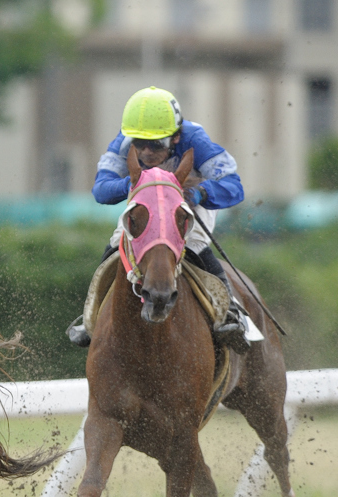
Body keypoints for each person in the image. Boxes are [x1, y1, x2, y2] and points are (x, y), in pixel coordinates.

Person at [66, 86, 249, 353]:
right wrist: (135, 184)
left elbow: (234, 186)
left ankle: (229, 312)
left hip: (188, 200)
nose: (146, 152)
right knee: (118, 242)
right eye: (139, 144)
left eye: (156, 144)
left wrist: (200, 193)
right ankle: (90, 315)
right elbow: (101, 190)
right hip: (146, 202)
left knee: (194, 243)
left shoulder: (195, 139)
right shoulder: (123, 141)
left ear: (176, 137)